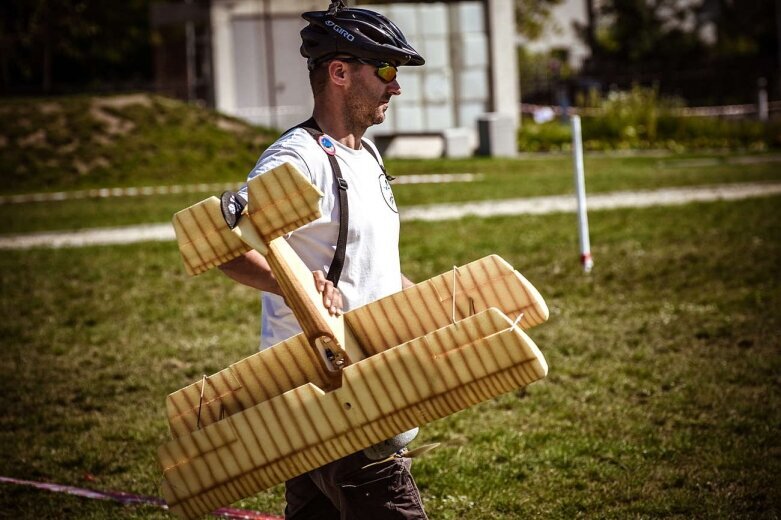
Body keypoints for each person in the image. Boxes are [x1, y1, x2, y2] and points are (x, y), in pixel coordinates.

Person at [218, 2, 428, 518]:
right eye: (384, 70)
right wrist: (298, 287)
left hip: (338, 399)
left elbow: (364, 263)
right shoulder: (298, 159)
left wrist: (425, 302)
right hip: (338, 397)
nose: (394, 86)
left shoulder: (365, 154)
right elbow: (228, 247)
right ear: (339, 72)